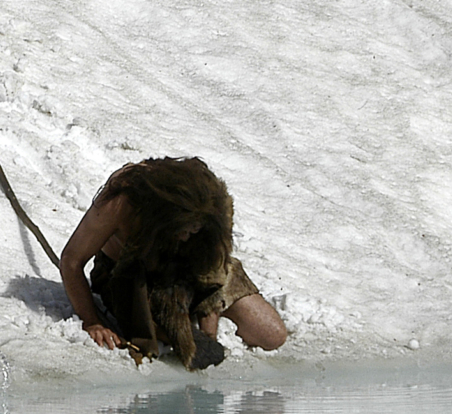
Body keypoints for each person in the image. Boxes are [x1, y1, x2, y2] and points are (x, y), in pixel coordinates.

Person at [59, 156, 286, 368]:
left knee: (271, 335)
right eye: (183, 230)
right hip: (131, 278)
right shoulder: (122, 200)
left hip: (188, 272)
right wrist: (92, 321)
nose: (186, 237)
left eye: (193, 231)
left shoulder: (212, 207)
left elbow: (212, 271)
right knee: (164, 337)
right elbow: (71, 261)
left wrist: (209, 330)